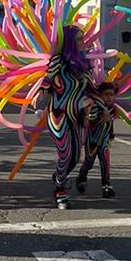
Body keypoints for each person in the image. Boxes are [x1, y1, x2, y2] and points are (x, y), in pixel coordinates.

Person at [40, 23, 91, 211]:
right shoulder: (58, 61)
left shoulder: (84, 64)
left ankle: (58, 177)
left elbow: (90, 89)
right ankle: (60, 190)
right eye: (78, 39)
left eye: (83, 38)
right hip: (58, 114)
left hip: (77, 115)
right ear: (69, 41)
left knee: (76, 156)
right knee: (65, 154)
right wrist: (40, 93)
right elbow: (46, 81)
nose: (82, 42)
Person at [76, 81, 121, 198]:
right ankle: (82, 177)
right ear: (99, 95)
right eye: (106, 94)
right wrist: (100, 115)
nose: (109, 97)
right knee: (89, 162)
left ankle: (107, 186)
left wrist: (111, 135)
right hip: (92, 141)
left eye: (111, 95)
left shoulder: (113, 108)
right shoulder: (95, 106)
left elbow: (110, 123)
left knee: (105, 162)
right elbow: (90, 120)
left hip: (104, 141)